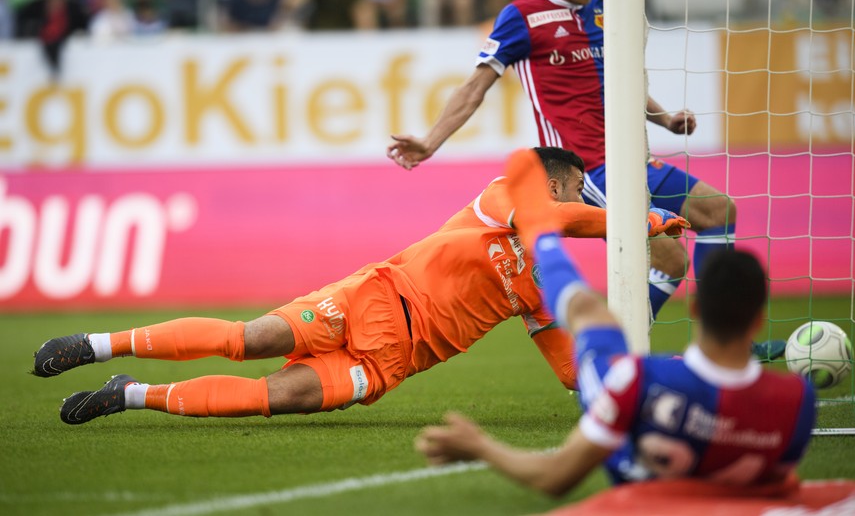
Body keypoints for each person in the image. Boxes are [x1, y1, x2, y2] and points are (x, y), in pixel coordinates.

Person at [31, 147, 690, 426]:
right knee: (251, 338)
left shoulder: (544, 283)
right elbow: (557, 217)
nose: (582, 197)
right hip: (374, 297)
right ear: (553, 180)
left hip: (393, 361)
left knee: (276, 397)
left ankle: (132, 395)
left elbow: (566, 366)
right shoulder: (504, 196)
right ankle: (97, 344)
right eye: (577, 186)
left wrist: (629, 380)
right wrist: (645, 219)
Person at [386, 0, 767, 356]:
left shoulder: (603, 6)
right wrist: (429, 142)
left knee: (719, 211)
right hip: (585, 170)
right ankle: (611, 358)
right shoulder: (522, 16)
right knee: (670, 259)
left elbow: (619, 79)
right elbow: (475, 86)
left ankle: (725, 337)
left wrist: (664, 118)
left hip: (631, 158)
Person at [416, 148, 817, 495]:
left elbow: (555, 476)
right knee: (604, 302)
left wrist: (481, 446)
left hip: (648, 493)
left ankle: (550, 247)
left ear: (695, 309)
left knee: (589, 317)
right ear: (760, 319)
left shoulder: (638, 383)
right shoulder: (798, 402)